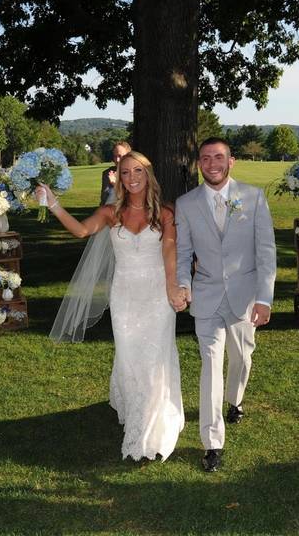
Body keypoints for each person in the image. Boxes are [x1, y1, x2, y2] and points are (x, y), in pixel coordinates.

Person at [42, 151, 184, 462]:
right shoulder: (111, 212)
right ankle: (135, 410)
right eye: (124, 173)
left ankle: (152, 428)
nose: (131, 178)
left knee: (154, 358)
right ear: (118, 177)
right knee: (130, 355)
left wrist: (173, 287)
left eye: (137, 171)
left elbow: (170, 251)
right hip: (124, 295)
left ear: (148, 175)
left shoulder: (165, 213)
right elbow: (80, 231)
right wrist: (53, 203)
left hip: (156, 294)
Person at [175, 137, 276, 473]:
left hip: (245, 296)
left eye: (219, 157)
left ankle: (236, 399)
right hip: (206, 296)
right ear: (198, 163)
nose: (212, 163)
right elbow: (184, 253)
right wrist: (184, 285)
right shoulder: (186, 203)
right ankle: (212, 442)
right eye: (205, 158)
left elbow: (266, 252)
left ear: (231, 161)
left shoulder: (253, 197)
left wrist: (264, 298)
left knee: (243, 356)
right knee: (210, 365)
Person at [100, 141, 131, 205]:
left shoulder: (135, 174)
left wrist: (115, 184)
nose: (117, 160)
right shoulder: (107, 173)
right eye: (115, 156)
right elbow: (104, 200)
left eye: (120, 156)